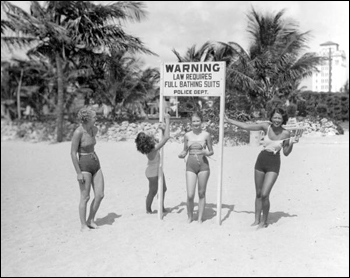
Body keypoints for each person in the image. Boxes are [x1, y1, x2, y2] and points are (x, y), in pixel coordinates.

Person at [225, 108, 302, 229]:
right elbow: (246, 126)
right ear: (271, 118)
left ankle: (264, 222)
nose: (277, 120)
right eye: (275, 117)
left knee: (265, 194)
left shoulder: (286, 133)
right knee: (259, 193)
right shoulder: (266, 127)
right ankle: (257, 220)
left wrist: (292, 143)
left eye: (279, 118)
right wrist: (229, 120)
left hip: (274, 163)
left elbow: (286, 152)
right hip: (261, 161)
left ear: (283, 119)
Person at [71, 107, 105, 231]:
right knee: (85, 197)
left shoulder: (94, 129)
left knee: (100, 195)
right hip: (84, 165)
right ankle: (83, 225)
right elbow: (73, 153)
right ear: (87, 119)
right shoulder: (78, 132)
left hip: (96, 162)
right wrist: (78, 172)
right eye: (94, 117)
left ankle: (91, 219)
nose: (96, 119)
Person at [178, 111, 214, 223]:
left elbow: (211, 151)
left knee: (201, 193)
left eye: (198, 121)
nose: (196, 123)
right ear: (190, 123)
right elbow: (185, 150)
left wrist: (206, 153)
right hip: (190, 165)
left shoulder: (206, 135)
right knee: (190, 194)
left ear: (201, 122)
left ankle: (200, 218)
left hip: (203, 165)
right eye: (194, 121)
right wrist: (182, 154)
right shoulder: (187, 135)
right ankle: (190, 216)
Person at [135, 113, 171, 214]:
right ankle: (148, 209)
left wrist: (163, 129)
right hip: (152, 172)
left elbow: (162, 138)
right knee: (153, 191)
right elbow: (166, 138)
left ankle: (161, 207)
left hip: (156, 169)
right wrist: (168, 120)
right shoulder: (153, 149)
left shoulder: (152, 146)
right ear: (147, 141)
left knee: (163, 189)